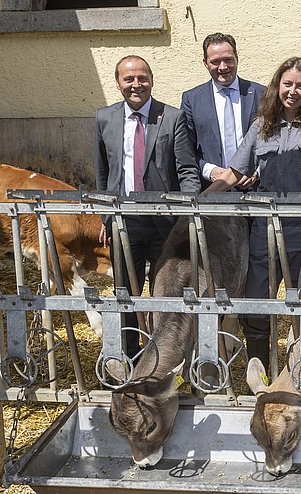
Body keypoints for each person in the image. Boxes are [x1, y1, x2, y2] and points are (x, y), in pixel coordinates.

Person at [208, 57, 301, 370]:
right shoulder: (262, 126)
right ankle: (261, 372)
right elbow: (233, 173)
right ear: (277, 86)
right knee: (257, 306)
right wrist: (200, 201)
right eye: (288, 84)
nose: (293, 91)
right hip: (266, 232)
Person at [95, 55, 201, 356]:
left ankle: (160, 358)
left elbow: (186, 170)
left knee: (164, 292)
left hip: (164, 223)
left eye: (142, 78)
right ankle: (127, 357)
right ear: (118, 83)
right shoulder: (104, 118)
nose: (136, 84)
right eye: (129, 79)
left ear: (151, 80)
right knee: (125, 292)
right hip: (124, 221)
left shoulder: (172, 117)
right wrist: (106, 216)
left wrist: (186, 215)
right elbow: (103, 172)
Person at [181, 33, 265, 190]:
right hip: (212, 190)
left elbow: (273, 142)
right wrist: (210, 171)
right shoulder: (192, 100)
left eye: (228, 60)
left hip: (255, 191)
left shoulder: (261, 94)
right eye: (215, 61)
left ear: (237, 58)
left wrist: (258, 171)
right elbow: (185, 151)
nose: (223, 67)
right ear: (205, 63)